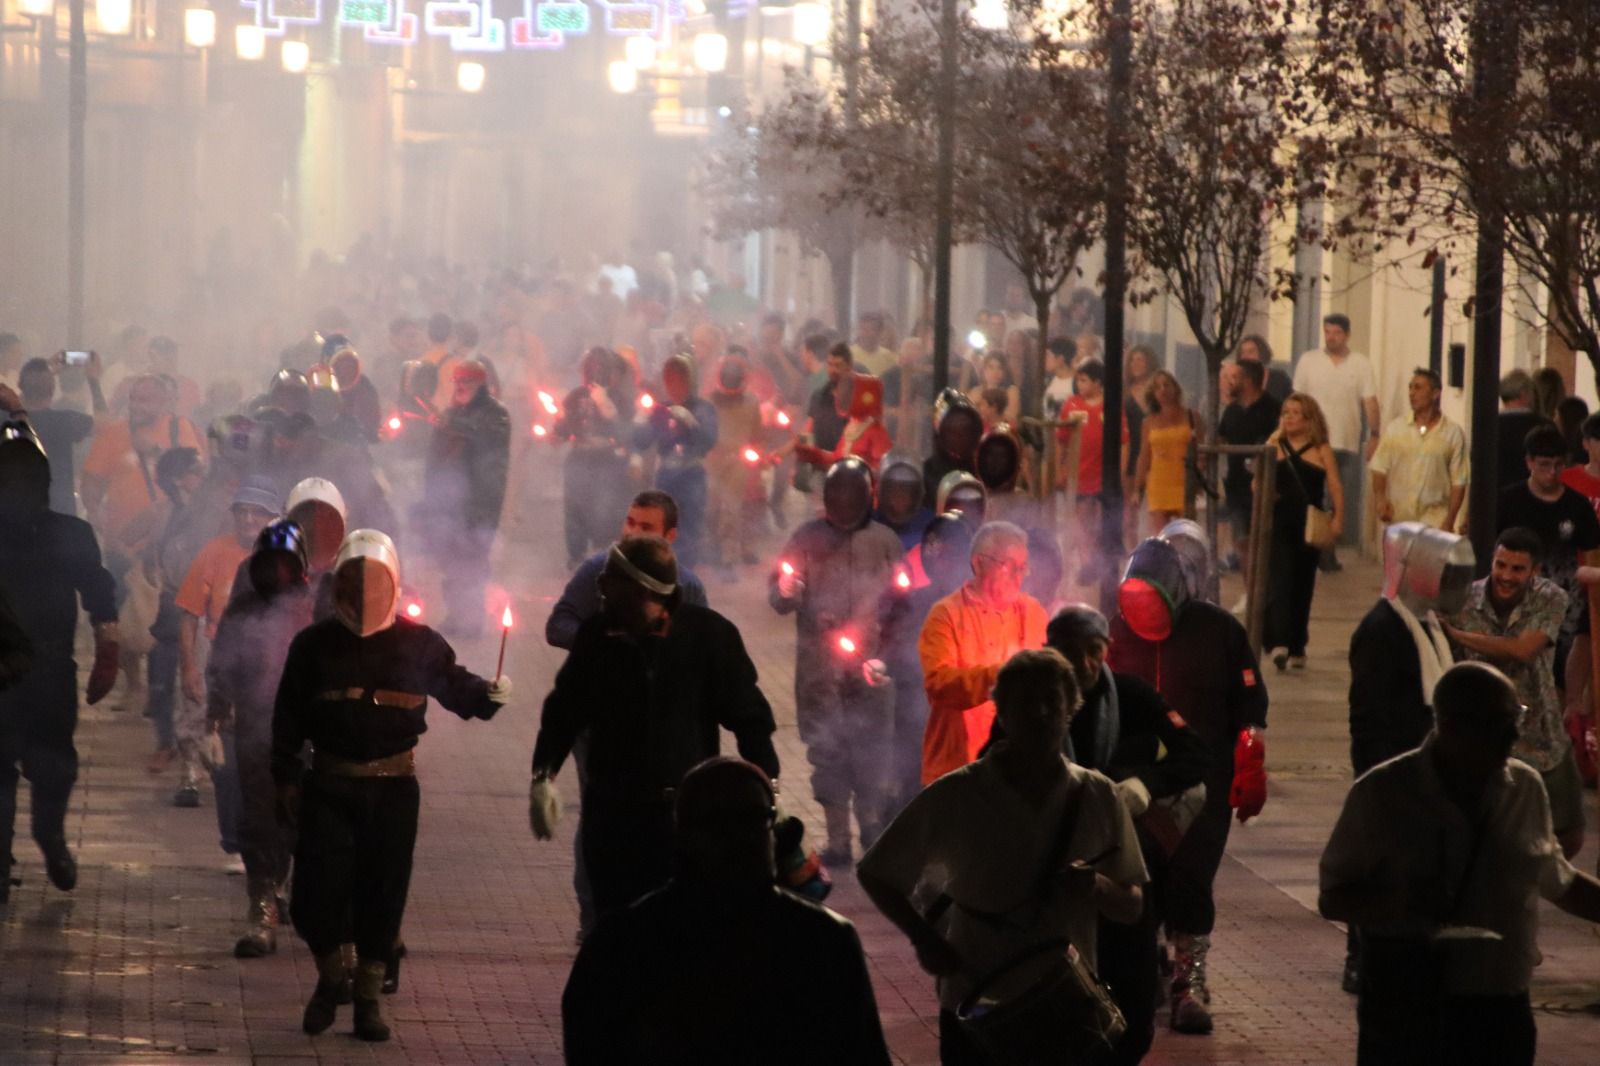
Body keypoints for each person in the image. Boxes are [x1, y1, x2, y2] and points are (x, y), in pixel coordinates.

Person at [273, 529, 512, 1041]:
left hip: (393, 791)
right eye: (353, 582)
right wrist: (285, 777)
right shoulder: (312, 646)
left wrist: (488, 695)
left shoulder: (419, 643)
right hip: (328, 786)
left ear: (394, 584)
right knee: (315, 896)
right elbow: (287, 718)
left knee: (383, 894)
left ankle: (367, 1000)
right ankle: (332, 976)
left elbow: (456, 687)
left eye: (374, 582)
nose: (363, 595)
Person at [859, 648, 1148, 1066]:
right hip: (976, 1003)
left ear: (1072, 708)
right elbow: (877, 872)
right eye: (1026, 701)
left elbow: (1132, 905)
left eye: (1052, 700)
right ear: (1003, 711)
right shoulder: (958, 793)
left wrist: (1097, 886)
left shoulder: (1099, 795)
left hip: (1066, 1006)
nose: (1041, 713)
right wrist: (924, 940)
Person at [1319, 661, 1600, 1066]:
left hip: (1501, 1013)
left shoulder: (1524, 788)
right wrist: (1403, 904)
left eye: (1515, 717)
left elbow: (1560, 881)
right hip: (1410, 1012)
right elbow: (1334, 897)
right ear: (1451, 724)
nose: (1514, 733)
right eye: (1501, 721)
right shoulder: (1383, 795)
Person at [563, 757, 892, 1066]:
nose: (740, 837)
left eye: (752, 819)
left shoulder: (623, 941)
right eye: (720, 822)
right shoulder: (824, 940)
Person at [529, 536, 780, 918]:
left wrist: (767, 785)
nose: (601, 588)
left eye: (610, 580)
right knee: (616, 928)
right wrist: (543, 773)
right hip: (612, 818)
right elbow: (564, 709)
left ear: (641, 590)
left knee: (680, 933)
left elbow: (750, 717)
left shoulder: (708, 636)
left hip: (684, 821)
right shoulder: (598, 637)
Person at [1033, 605, 1209, 1065]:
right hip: (1054, 861)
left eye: (1095, 652)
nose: (1085, 665)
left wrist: (1144, 784)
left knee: (1129, 983)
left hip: (1122, 859)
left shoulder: (1131, 696)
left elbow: (1194, 756)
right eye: (1071, 653)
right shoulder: (1033, 699)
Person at [1111, 526, 1269, 1034]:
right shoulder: (1117, 630)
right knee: (1142, 880)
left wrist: (1250, 756)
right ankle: (1147, 969)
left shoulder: (1221, 631)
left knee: (1192, 878)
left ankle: (1189, 981)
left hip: (1207, 778)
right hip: (1139, 782)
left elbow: (1250, 702)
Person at [1343, 522, 1475, 992]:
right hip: (1394, 771)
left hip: (1430, 775)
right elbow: (1368, 719)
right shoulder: (1381, 629)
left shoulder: (1432, 626)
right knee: (1382, 870)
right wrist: (1378, 779)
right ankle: (1363, 957)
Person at [0, 421, 119, 904]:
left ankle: (45, 840)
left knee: (42, 767)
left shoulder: (69, 535)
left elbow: (97, 589)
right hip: (25, 675)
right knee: (22, 768)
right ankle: (24, 849)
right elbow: (99, 591)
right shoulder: (70, 533)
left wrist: (108, 649)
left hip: (44, 673)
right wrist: (106, 646)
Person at [770, 458, 905, 865]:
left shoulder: (885, 541)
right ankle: (838, 839)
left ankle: (871, 829)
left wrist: (888, 655)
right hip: (820, 668)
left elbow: (903, 605)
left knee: (872, 748)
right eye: (837, 493)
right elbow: (778, 596)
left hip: (872, 666)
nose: (845, 501)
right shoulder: (806, 538)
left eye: (853, 492)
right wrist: (787, 590)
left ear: (868, 497)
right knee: (827, 749)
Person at [207, 519, 317, 958]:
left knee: (295, 820)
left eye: (284, 563)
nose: (276, 572)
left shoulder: (315, 608)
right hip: (255, 727)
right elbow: (221, 662)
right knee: (258, 821)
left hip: (306, 733)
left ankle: (280, 885)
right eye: (268, 563)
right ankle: (261, 908)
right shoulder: (244, 609)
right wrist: (214, 715)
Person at [1442, 527, 1585, 859]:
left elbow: (1524, 649)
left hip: (1542, 736)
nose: (1506, 576)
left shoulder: (1550, 597)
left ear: (1534, 571)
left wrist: (1458, 635)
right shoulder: (1464, 601)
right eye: (1500, 565)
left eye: (1517, 569)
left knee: (1570, 830)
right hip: (1487, 740)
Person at [918, 521, 1048, 784]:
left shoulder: (1033, 613)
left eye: (1023, 568)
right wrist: (1000, 676)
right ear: (978, 564)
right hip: (956, 768)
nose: (1018, 576)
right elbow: (938, 684)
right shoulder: (947, 615)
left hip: (1018, 768)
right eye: (1009, 566)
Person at [1496, 423, 1600, 691]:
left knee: (1559, 679)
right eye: (1544, 465)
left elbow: (1591, 557)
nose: (1552, 473)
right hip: (1516, 601)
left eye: (1557, 465)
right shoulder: (1508, 502)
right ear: (1529, 462)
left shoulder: (1578, 506)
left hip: (1566, 606)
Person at [881, 515, 973, 813]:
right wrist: (883, 666)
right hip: (913, 720)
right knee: (912, 795)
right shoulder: (911, 601)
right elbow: (891, 649)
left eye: (948, 552)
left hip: (962, 724)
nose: (940, 561)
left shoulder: (977, 607)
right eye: (934, 550)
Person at [545, 492, 709, 651]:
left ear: (669, 536)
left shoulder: (688, 585)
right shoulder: (597, 568)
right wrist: (603, 642)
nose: (633, 532)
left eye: (646, 527)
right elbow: (559, 625)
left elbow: (705, 642)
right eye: (630, 522)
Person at [419, 362, 511, 637]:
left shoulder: (496, 414)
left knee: (473, 561)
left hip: (480, 501)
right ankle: (455, 614)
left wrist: (452, 423)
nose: (460, 387)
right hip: (448, 501)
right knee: (450, 560)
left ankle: (472, 618)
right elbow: (434, 458)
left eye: (467, 383)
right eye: (457, 382)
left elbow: (484, 436)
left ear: (481, 386)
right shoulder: (451, 413)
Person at [1262, 392, 1343, 669]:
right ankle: (1279, 641)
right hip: (1279, 522)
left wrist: (1337, 519)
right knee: (1280, 580)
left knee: (1303, 584)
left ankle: (1298, 644)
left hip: (1308, 525)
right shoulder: (1274, 445)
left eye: (1296, 413)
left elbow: (1334, 486)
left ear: (1310, 419)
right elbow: (1257, 483)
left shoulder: (1321, 450)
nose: (1290, 417)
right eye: (1286, 412)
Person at [1292, 313, 1379, 568]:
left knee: (1334, 497)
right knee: (1311, 496)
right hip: (1311, 442)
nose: (1331, 338)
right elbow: (1297, 400)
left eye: (1336, 333)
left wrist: (1374, 434)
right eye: (1327, 332)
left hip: (1344, 441)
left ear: (1347, 335)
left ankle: (1326, 549)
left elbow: (1370, 401)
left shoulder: (1360, 364)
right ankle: (1313, 548)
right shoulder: (1309, 362)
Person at [634, 353, 718, 571]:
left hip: (691, 474)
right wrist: (641, 421)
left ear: (691, 381)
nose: (674, 386)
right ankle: (665, 569)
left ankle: (685, 571)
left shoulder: (704, 408)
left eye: (680, 380)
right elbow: (643, 442)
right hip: (666, 475)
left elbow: (708, 442)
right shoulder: (661, 409)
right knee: (664, 523)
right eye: (670, 380)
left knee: (690, 526)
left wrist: (691, 423)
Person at [555, 348, 630, 568]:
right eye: (592, 367)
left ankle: (603, 552)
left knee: (605, 507)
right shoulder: (576, 396)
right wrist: (557, 432)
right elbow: (565, 426)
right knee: (575, 506)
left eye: (601, 367)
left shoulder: (619, 398)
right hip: (579, 458)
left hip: (606, 460)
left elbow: (626, 432)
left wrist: (609, 409)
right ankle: (576, 555)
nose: (596, 372)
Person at [1369, 367, 1468, 531]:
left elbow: (1459, 481)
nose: (1411, 393)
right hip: (1400, 520)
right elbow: (1379, 467)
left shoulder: (1452, 434)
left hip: (1434, 522)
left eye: (1418, 388)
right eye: (1410, 387)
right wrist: (1380, 498)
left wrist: (1450, 519)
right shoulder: (1396, 429)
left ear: (1435, 394)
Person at [1216, 359, 1281, 597]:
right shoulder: (1232, 410)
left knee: (1262, 545)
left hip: (1264, 489)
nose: (1231, 382)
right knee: (1242, 543)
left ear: (1249, 379)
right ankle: (1250, 593)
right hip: (1236, 487)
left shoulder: (1273, 409)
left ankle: (1266, 594)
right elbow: (1221, 438)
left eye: (1236, 377)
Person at [1062, 359, 1129, 582]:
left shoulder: (1111, 407)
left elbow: (1123, 441)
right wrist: (1061, 468)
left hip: (1103, 474)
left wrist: (1120, 472)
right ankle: (1087, 561)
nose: (1079, 385)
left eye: (1084, 380)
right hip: (1079, 474)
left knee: (1101, 521)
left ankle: (1100, 561)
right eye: (1078, 380)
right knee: (1082, 519)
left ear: (1098, 382)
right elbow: (1061, 439)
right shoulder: (1071, 405)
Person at [11, 356, 103, 514]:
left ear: (22, 388)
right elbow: (104, 424)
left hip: (13, 517)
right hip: (57, 513)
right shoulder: (64, 421)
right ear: (53, 390)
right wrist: (93, 381)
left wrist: (35, 380)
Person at [705, 354, 765, 574]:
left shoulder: (752, 402)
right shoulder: (709, 402)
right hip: (712, 459)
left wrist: (757, 456)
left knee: (732, 508)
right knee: (710, 508)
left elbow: (758, 435)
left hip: (738, 461)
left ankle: (727, 557)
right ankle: (711, 547)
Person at [794, 371, 893, 476]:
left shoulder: (876, 432)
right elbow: (838, 458)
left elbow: (885, 469)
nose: (840, 396)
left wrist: (860, 472)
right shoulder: (851, 426)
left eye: (850, 393)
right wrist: (815, 455)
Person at [1134, 369, 1194, 530]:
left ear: (1175, 388)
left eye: (1166, 385)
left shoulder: (1192, 417)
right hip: (1159, 480)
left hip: (1184, 480)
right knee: (1161, 536)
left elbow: (1201, 449)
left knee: (1185, 532)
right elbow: (1144, 456)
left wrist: (1199, 477)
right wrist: (1137, 489)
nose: (1162, 390)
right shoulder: (1149, 422)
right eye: (1157, 387)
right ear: (1152, 393)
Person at [1494, 370, 1555, 493]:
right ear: (1524, 394)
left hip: (1497, 497)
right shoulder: (1544, 425)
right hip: (1535, 495)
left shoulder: (1489, 426)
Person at [923, 390, 983, 509]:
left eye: (966, 429)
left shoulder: (983, 474)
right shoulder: (924, 477)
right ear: (940, 434)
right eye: (952, 430)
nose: (960, 436)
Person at [873, 453, 934, 553]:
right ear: (883, 492)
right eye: (894, 489)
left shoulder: (930, 526)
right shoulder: (871, 522)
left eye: (905, 490)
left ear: (915, 493)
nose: (899, 496)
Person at [1236, 334, 1292, 403]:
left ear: (1262, 353)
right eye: (1242, 353)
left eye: (1250, 352)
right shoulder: (1237, 381)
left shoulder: (1280, 378)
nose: (1245, 356)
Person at [851, 311, 898, 378]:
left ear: (880, 332)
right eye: (863, 329)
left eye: (871, 329)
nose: (866, 334)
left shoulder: (889, 357)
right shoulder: (848, 355)